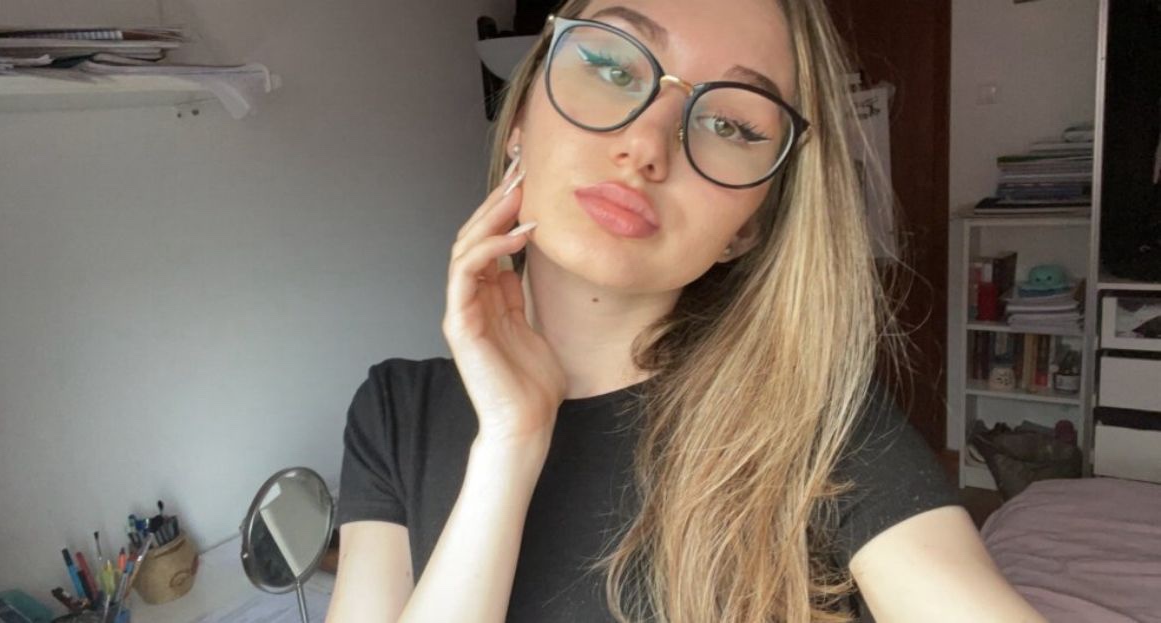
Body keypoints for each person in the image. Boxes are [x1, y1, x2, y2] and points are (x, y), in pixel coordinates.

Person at [325, 0, 1047, 621]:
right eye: (611, 69)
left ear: (749, 224)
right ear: (519, 120)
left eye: (730, 124)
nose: (646, 145)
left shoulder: (819, 426)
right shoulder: (396, 412)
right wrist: (508, 450)